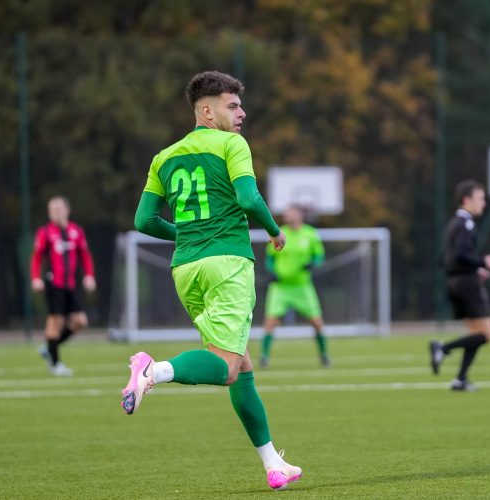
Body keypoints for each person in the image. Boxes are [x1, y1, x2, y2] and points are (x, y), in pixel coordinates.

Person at [122, 70, 302, 491]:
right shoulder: (231, 145)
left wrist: (186, 234)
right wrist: (275, 231)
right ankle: (154, 370)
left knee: (240, 366)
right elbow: (248, 198)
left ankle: (273, 463)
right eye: (232, 105)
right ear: (206, 111)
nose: (242, 113)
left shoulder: (164, 157)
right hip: (228, 265)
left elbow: (144, 220)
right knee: (224, 367)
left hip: (186, 269)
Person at [429, 180, 490, 392]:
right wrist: (483, 262)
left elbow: (444, 259)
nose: (483, 203)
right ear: (466, 200)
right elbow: (461, 254)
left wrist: (474, 270)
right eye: (480, 199)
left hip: (455, 282)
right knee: (486, 334)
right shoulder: (466, 223)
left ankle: (461, 379)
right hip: (466, 285)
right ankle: (442, 348)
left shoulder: (453, 224)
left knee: (476, 334)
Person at [30, 195, 96, 377]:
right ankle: (55, 364)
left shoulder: (76, 231)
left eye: (59, 209)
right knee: (55, 321)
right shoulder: (45, 232)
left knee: (80, 321)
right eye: (52, 210)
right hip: (54, 283)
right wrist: (35, 278)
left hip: (71, 285)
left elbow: (85, 256)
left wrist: (89, 276)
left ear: (67, 210)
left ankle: (50, 347)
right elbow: (36, 257)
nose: (56, 213)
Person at [260, 204, 329, 368]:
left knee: (317, 322)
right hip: (280, 287)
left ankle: (324, 355)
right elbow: (270, 258)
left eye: (291, 213)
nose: (288, 216)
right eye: (286, 213)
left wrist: (313, 264)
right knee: (270, 323)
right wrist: (271, 272)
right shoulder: (278, 233)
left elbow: (319, 256)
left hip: (302, 286)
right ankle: (264, 357)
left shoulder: (310, 234)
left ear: (300, 215)